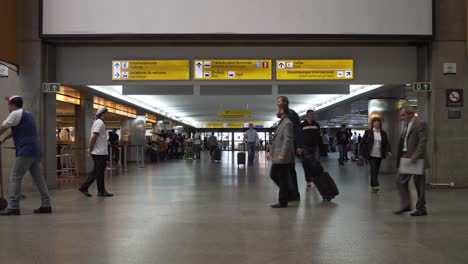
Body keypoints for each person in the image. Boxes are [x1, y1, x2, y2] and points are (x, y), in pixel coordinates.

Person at [0, 96, 52, 215]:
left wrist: (1, 135)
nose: (8, 107)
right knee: (39, 179)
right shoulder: (28, 114)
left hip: (25, 151)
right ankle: (46, 204)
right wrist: (3, 139)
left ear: (12, 105)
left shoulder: (14, 114)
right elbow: (14, 131)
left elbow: (3, 127)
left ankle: (13, 207)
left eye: (8, 105)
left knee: (15, 177)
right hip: (35, 151)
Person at [394, 105, 428, 216]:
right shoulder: (406, 125)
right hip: (406, 156)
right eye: (401, 116)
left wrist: (416, 154)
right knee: (400, 180)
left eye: (403, 115)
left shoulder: (420, 123)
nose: (401, 118)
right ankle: (406, 205)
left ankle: (421, 208)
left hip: (416, 158)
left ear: (410, 114)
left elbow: (423, 141)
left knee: (419, 184)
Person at [79, 106, 113, 197]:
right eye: (106, 113)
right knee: (98, 172)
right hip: (99, 152)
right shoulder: (99, 123)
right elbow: (94, 136)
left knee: (97, 172)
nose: (107, 115)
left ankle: (96, 190)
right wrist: (90, 148)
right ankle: (97, 190)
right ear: (102, 114)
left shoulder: (98, 122)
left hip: (99, 151)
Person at [276, 96, 303, 201]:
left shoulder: (290, 114)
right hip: (286, 147)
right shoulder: (286, 115)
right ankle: (293, 193)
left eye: (279, 102)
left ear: (285, 103)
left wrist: (299, 145)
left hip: (289, 148)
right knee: (288, 172)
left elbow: (297, 130)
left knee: (287, 172)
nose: (277, 104)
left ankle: (292, 193)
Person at [268, 103, 294, 208]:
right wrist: (270, 153)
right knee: (275, 175)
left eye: (277, 110)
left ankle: (284, 200)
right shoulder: (282, 122)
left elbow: (288, 140)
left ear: (282, 110)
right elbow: (278, 139)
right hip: (278, 155)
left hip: (282, 156)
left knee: (280, 177)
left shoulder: (287, 123)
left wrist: (282, 154)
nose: (276, 112)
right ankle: (288, 193)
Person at [361, 118, 391, 193]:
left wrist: (388, 150)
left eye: (378, 122)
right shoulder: (368, 132)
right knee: (373, 169)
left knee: (376, 170)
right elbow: (362, 142)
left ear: (380, 124)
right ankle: (375, 185)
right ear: (373, 124)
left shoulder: (383, 133)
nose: (376, 124)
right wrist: (361, 153)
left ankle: (372, 185)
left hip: (379, 154)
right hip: (371, 154)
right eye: (375, 122)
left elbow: (386, 143)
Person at [301, 110, 321, 187]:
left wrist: (320, 146)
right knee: (307, 164)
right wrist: (299, 147)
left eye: (313, 115)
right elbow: (299, 137)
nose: (312, 116)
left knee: (316, 163)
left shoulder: (316, 124)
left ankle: (315, 178)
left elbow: (319, 136)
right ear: (307, 115)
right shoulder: (302, 125)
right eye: (310, 114)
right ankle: (308, 179)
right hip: (305, 146)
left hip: (315, 146)